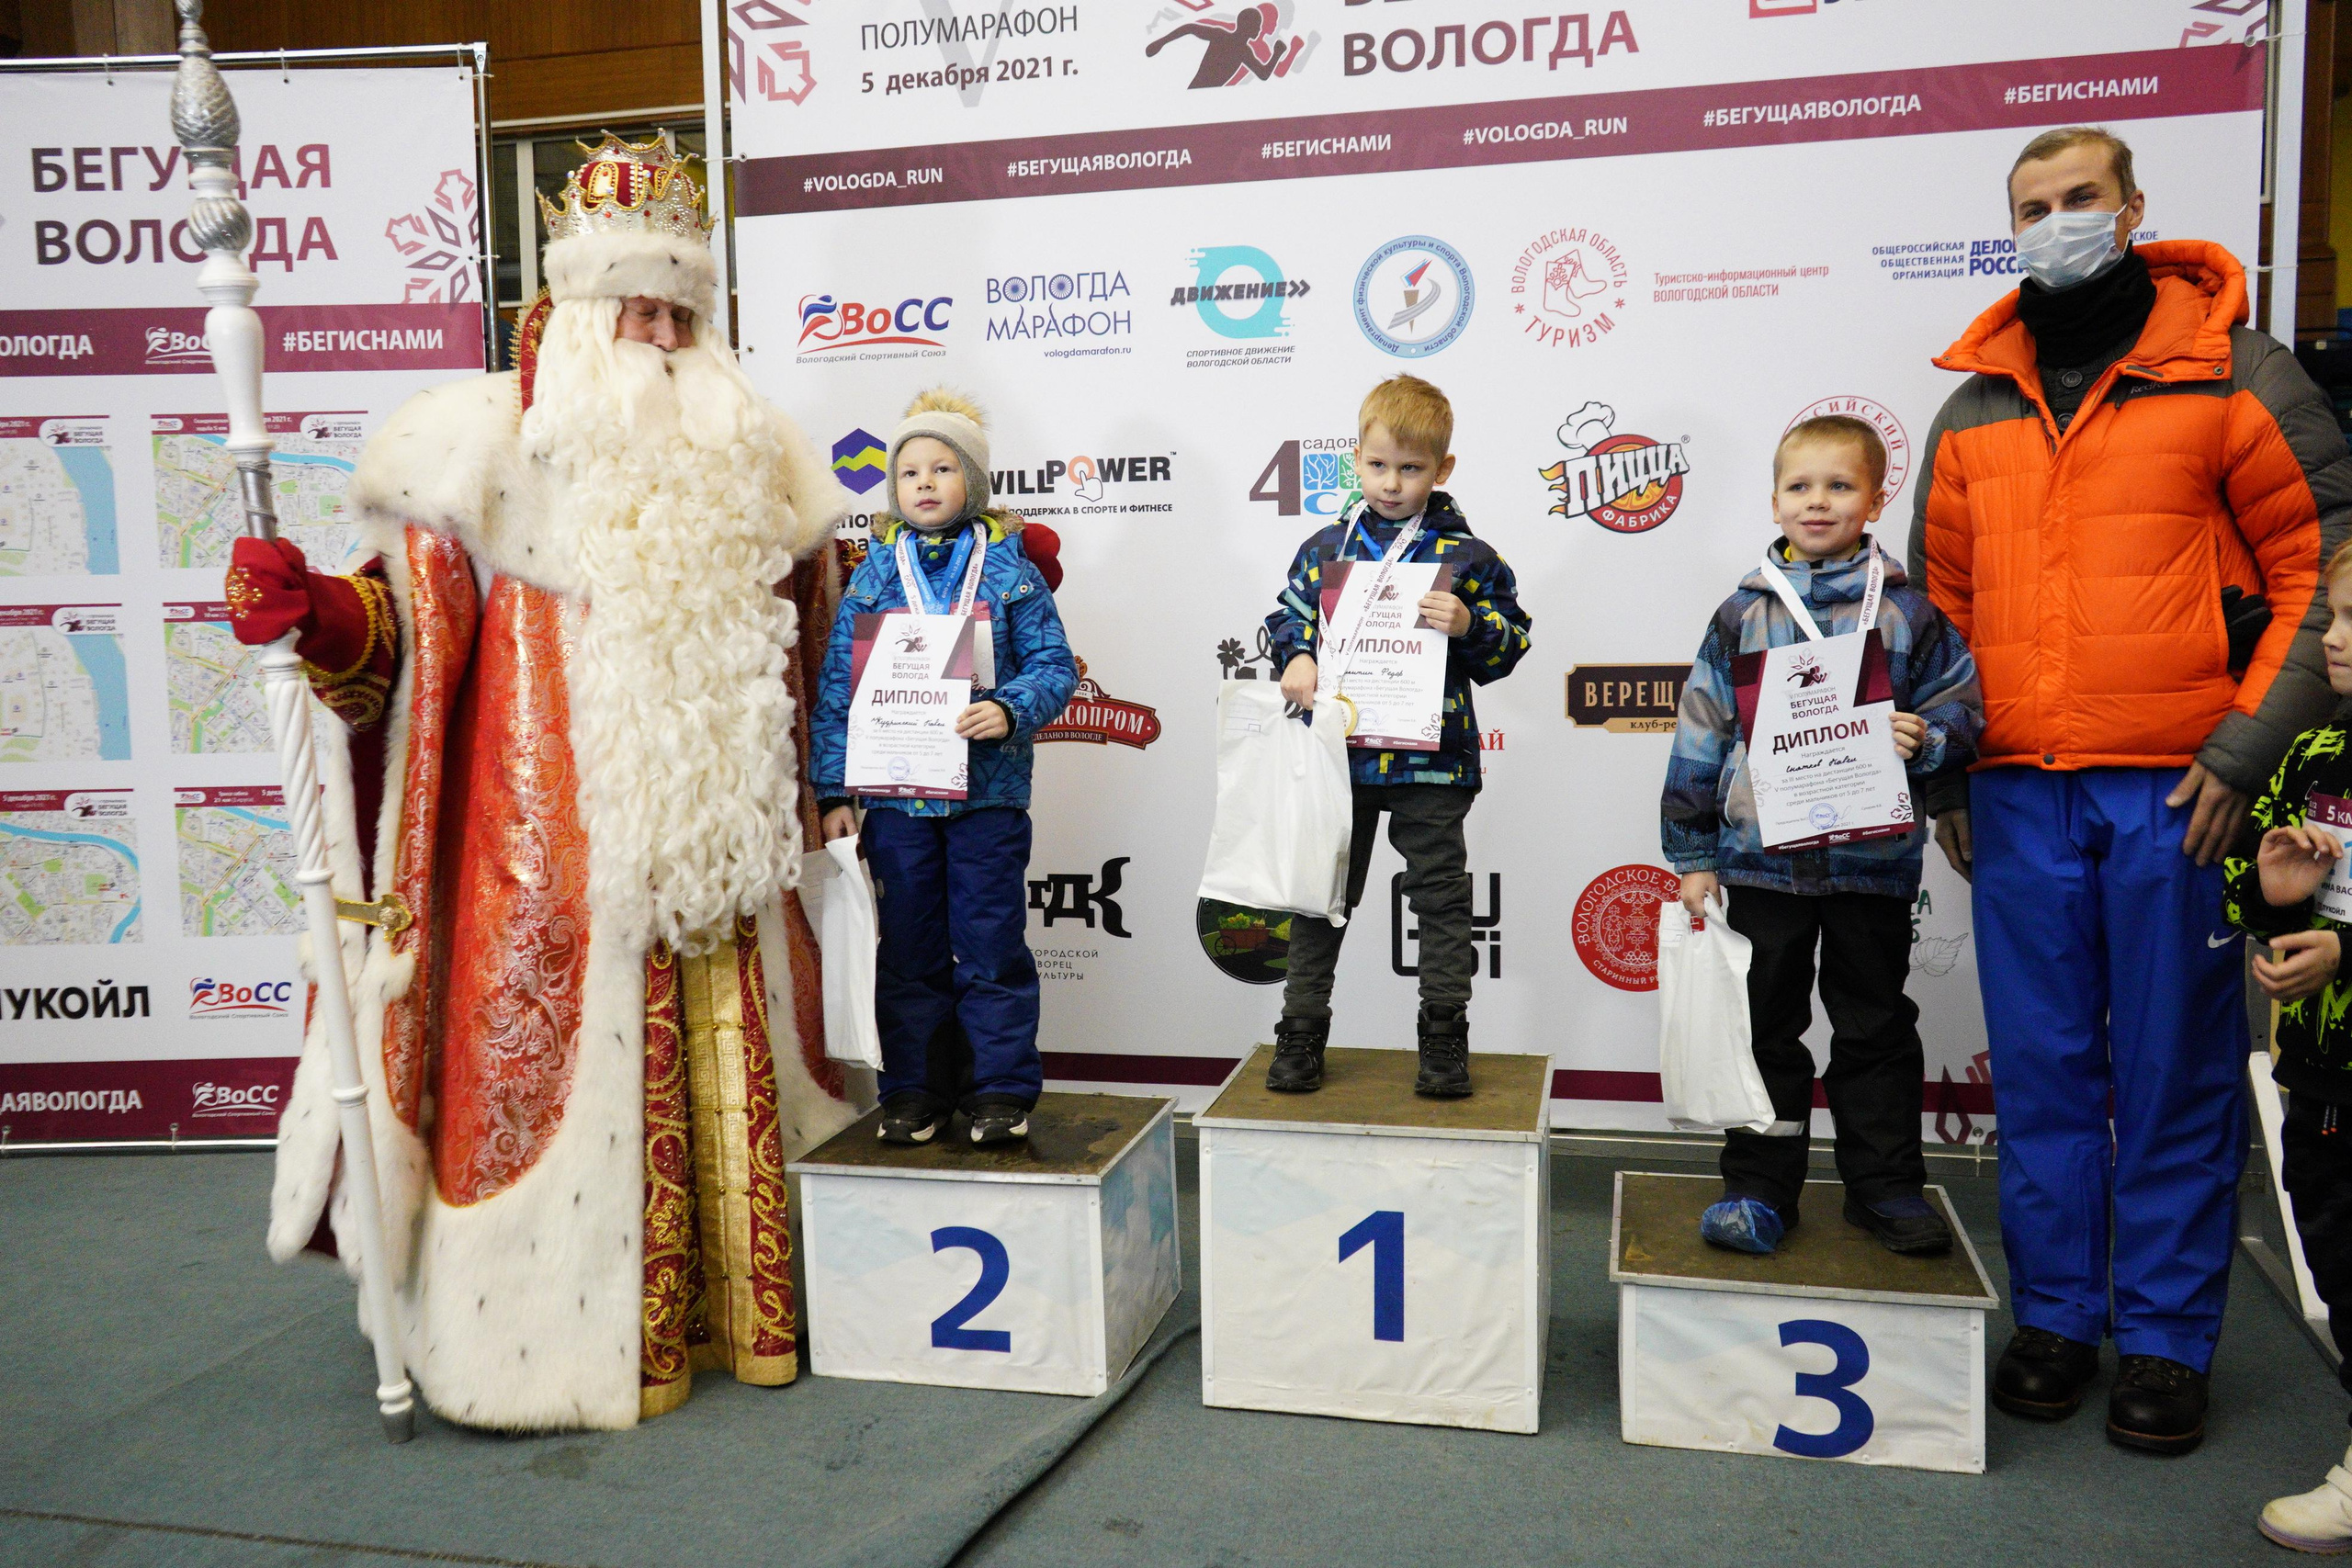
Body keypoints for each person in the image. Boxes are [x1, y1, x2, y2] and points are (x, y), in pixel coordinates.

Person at [229, 136, 860, 1430]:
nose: (662, 333)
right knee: (543, 1080)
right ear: (576, 307)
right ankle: (535, 1338)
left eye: (680, 310)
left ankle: (748, 1311)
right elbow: (403, 641)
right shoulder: (482, 450)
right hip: (547, 865)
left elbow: (825, 639)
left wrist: (953, 596)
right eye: (636, 307)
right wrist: (321, 617)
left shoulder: (757, 454)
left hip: (734, 872)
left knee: (751, 1056)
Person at [1913, 124, 2352, 1454]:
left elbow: (2324, 567)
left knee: (2172, 1072)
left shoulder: (2235, 369)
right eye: (2032, 205)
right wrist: (1947, 768)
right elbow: (1940, 611)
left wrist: (2243, 750)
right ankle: (2056, 1317)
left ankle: (2163, 1336)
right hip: (2017, 790)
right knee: (2043, 1073)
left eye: (2080, 196)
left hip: (2179, 792)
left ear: (2131, 206)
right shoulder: (1974, 406)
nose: (2057, 219)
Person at [1664, 415, 1983, 1256]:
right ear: (1774, 500)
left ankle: (1885, 1188)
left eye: (1840, 486)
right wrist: (1692, 853)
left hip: (1871, 866)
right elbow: (1700, 731)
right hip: (1761, 865)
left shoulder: (1909, 613)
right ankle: (1758, 1188)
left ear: (1875, 500)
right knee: (1764, 1028)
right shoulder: (1743, 613)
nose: (1818, 501)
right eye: (1800, 486)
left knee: (1875, 1027)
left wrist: (1930, 737)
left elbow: (1964, 707)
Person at [809, 390, 1079, 1147]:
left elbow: (1055, 666)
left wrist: (1011, 708)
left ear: (976, 481)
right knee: (908, 950)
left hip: (987, 799)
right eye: (908, 472)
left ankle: (999, 1089)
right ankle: (914, 1090)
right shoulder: (873, 576)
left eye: (942, 468)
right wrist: (833, 790)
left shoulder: (1010, 570)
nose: (924, 482)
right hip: (897, 802)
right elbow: (838, 691)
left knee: (991, 947)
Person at [1261, 375, 1532, 1098]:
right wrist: (1297, 655)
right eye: (1378, 465)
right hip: (1338, 760)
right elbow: (1287, 617)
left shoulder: (1468, 556)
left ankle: (1444, 1036)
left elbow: (1510, 646)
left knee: (1441, 900)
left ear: (1442, 469)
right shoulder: (1326, 548)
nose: (1391, 483)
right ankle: (1300, 1031)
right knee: (1321, 898)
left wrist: (1471, 625)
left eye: (1411, 468)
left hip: (1431, 764)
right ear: (1355, 459)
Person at [2224, 547, 2352, 1547]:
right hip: (2317, 1074)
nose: (2334, 640)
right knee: (2341, 1264)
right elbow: (2248, 884)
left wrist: (2347, 950)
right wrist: (2274, 901)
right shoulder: (2313, 752)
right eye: (2333, 617)